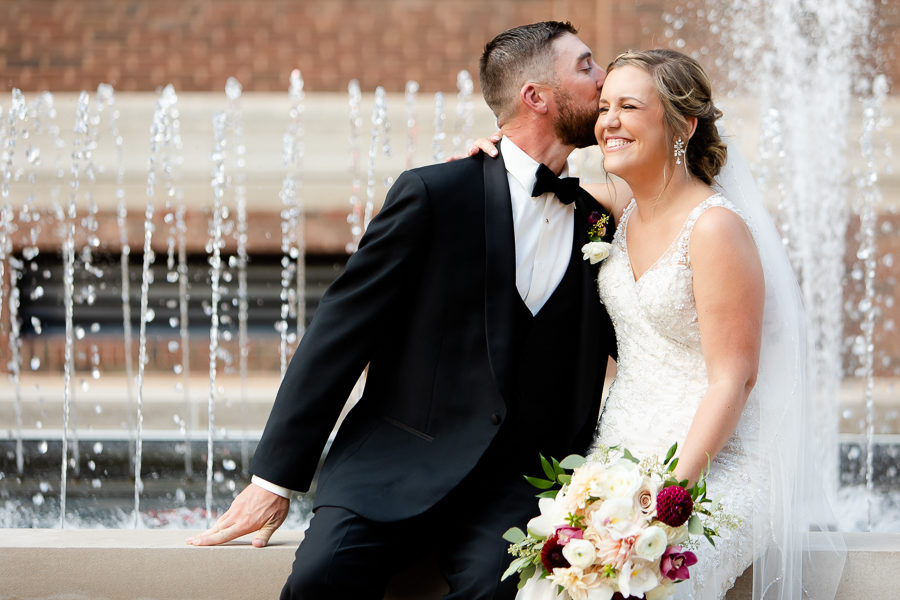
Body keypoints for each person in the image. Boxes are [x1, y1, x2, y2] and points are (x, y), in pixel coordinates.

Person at [186, 21, 620, 599]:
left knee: (503, 590)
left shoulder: (599, 219)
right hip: (393, 465)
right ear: (535, 97)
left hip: (519, 488)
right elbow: (341, 331)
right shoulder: (436, 193)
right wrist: (275, 479)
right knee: (320, 581)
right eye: (586, 66)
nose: (604, 77)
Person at [473, 49, 844, 599]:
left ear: (683, 125)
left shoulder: (714, 228)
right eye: (604, 107)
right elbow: (530, 191)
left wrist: (669, 500)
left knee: (651, 587)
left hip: (713, 465)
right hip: (618, 456)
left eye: (629, 106)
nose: (608, 122)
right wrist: (493, 158)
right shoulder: (617, 207)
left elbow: (733, 379)